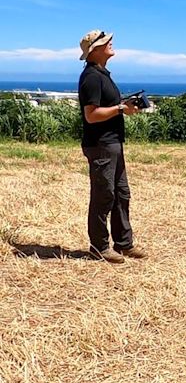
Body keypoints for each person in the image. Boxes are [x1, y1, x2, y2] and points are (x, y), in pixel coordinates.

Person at [77, 30, 147, 264]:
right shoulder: (92, 78)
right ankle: (99, 247)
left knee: (121, 194)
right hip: (101, 145)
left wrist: (123, 107)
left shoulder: (102, 75)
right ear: (95, 50)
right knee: (103, 195)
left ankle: (124, 244)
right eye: (106, 42)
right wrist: (120, 109)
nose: (111, 44)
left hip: (112, 144)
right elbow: (92, 115)